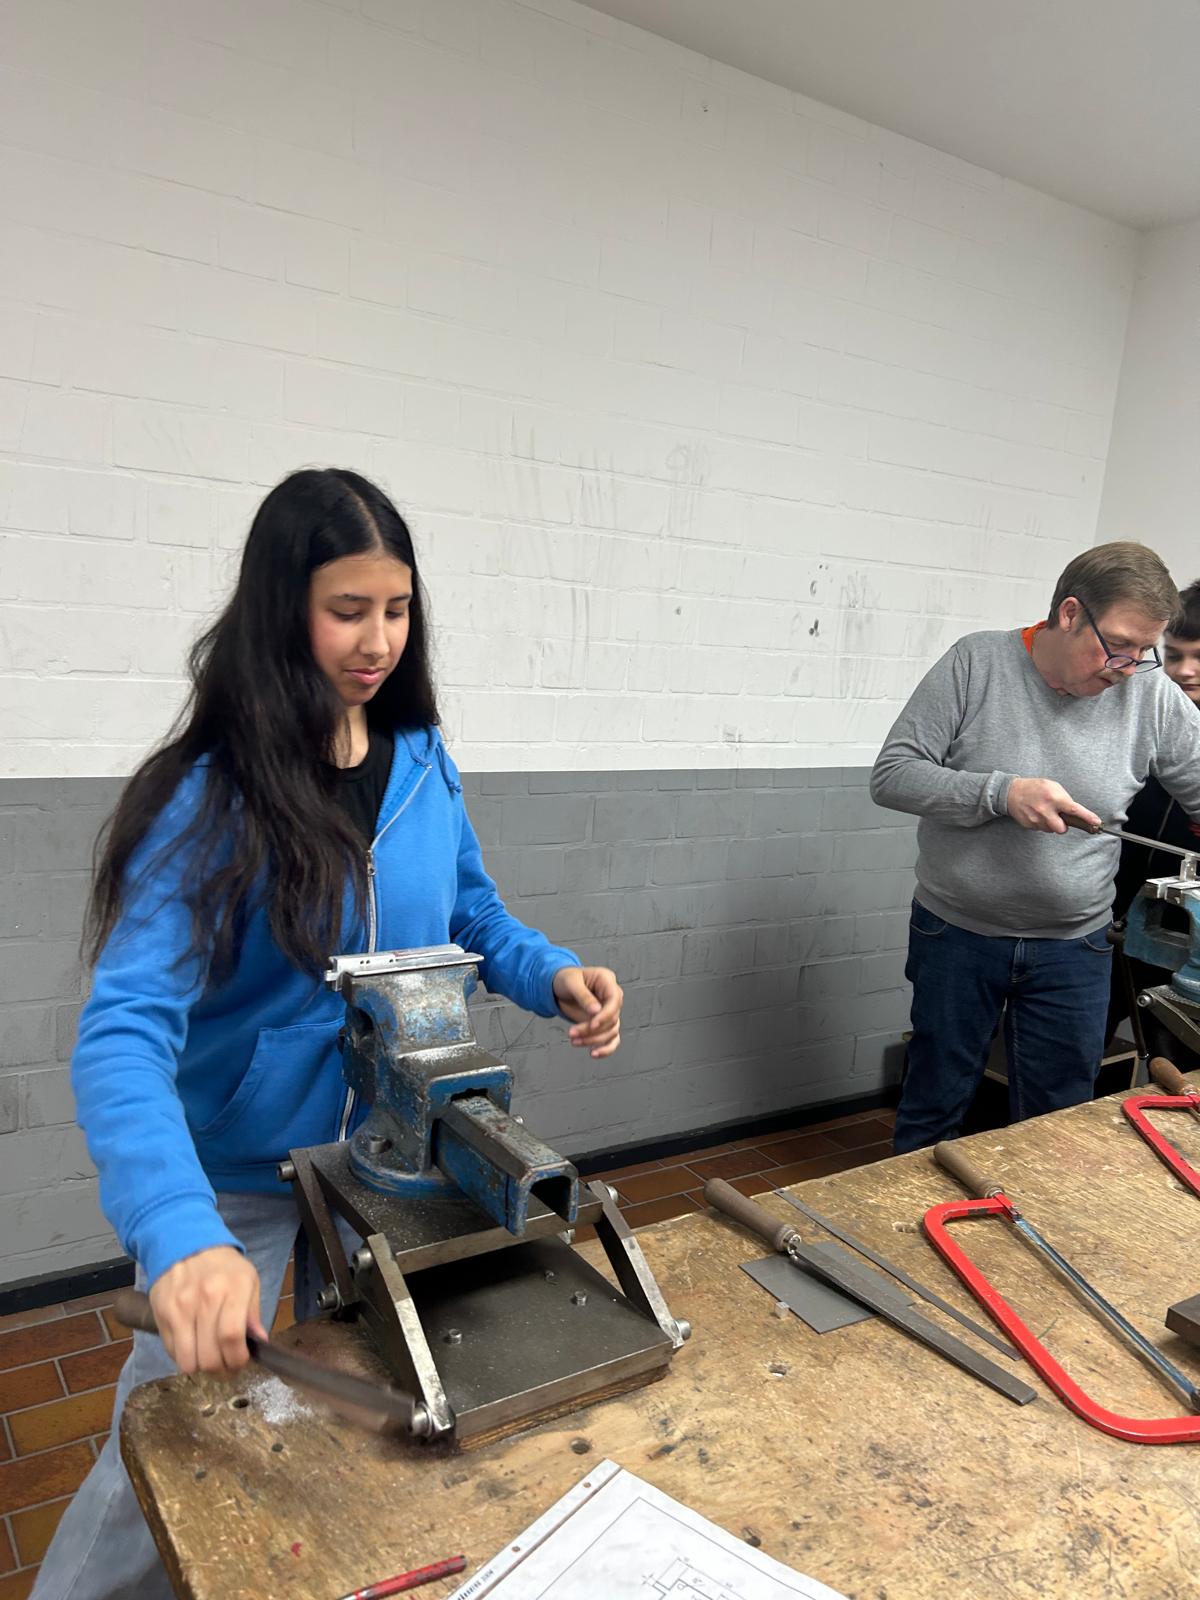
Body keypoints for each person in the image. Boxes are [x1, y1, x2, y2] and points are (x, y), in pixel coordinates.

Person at [32, 468, 624, 1600]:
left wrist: (550, 973)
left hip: (379, 1168)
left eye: (397, 609)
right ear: (282, 608)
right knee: (171, 1455)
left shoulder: (422, 757)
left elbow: (471, 911)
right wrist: (178, 1234)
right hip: (239, 1189)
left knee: (329, 1438)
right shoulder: (213, 795)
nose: (379, 640)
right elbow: (122, 1035)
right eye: (348, 610)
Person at [871, 541, 1200, 1156]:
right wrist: (1001, 793)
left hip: (1075, 948)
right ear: (1070, 613)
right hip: (958, 936)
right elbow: (893, 776)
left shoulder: (1148, 694)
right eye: (1118, 646)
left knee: (1059, 1126)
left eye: (1144, 652)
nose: (1127, 668)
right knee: (934, 1106)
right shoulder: (977, 663)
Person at [1106, 578, 1200, 1068]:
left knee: (1177, 1067)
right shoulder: (1140, 713)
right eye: (1174, 655)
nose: (1184, 671)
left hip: (1189, 950)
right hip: (1113, 925)